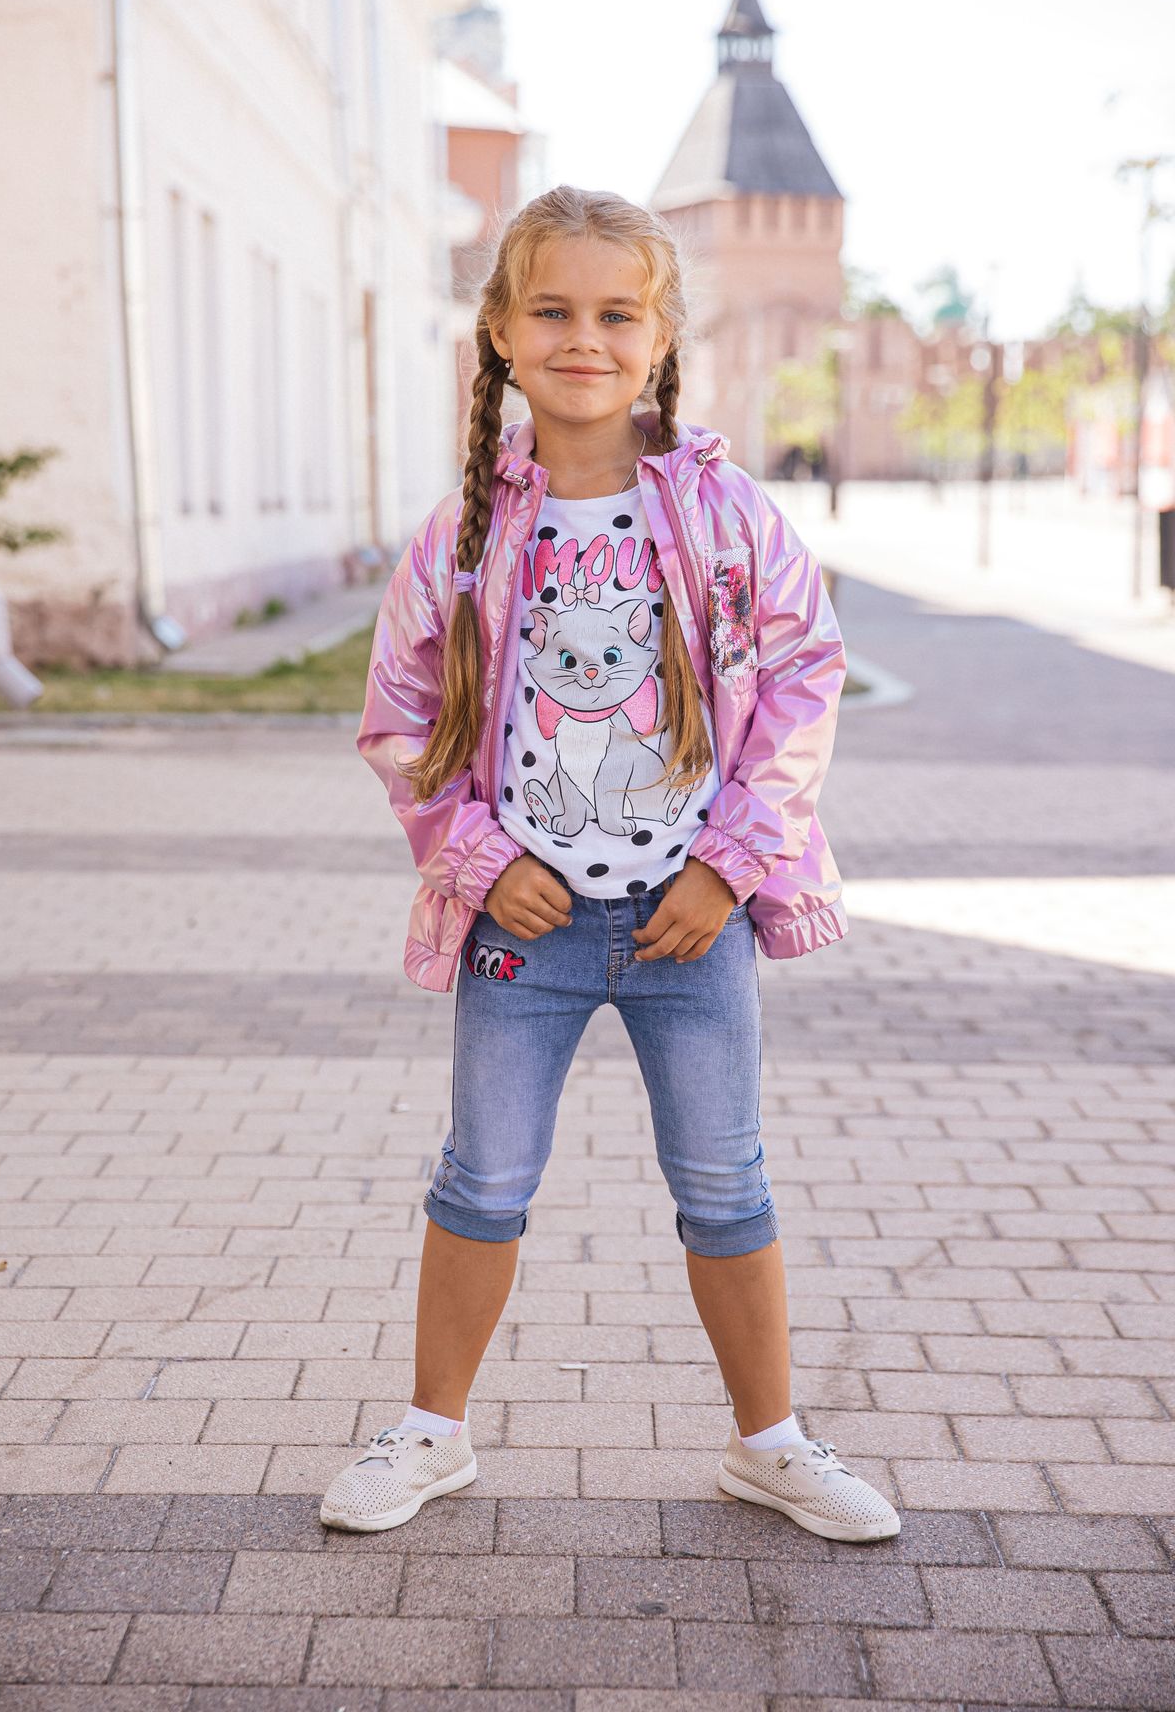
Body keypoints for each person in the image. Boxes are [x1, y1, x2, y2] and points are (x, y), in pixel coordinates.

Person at [320, 185, 900, 1544]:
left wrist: (733, 866)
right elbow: (399, 717)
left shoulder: (725, 515)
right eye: (553, 310)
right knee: (480, 1180)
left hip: (692, 924)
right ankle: (431, 1435)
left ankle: (771, 1444)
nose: (585, 338)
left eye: (617, 314)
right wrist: (474, 856)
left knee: (726, 1185)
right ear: (501, 335)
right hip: (522, 932)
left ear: (660, 338)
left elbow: (807, 676)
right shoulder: (463, 534)